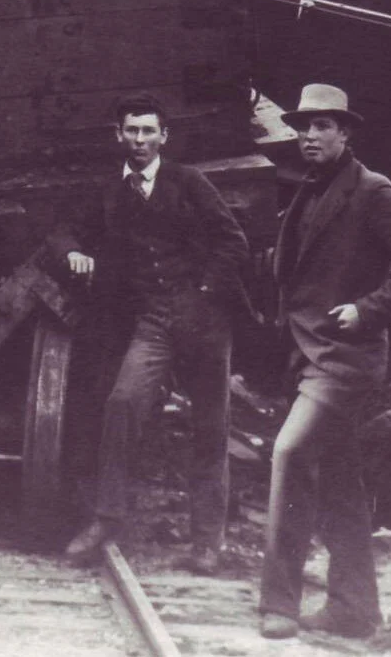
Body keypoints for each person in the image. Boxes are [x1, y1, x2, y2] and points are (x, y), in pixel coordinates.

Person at [258, 84, 391, 642]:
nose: (309, 136)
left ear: (345, 133)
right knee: (340, 482)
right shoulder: (310, 189)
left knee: (289, 455)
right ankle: (355, 610)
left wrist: (368, 310)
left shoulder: (370, 190)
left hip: (345, 360)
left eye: (322, 126)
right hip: (310, 354)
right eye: (303, 125)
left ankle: (280, 605)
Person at [50, 94, 249, 575]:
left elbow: (233, 240)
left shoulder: (189, 182)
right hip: (153, 321)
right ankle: (107, 519)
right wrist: (75, 252)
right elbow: (63, 232)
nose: (139, 140)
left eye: (148, 131)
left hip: (203, 318)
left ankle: (207, 541)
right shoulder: (110, 192)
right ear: (117, 135)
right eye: (131, 131)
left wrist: (204, 290)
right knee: (122, 405)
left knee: (211, 426)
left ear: (164, 137)